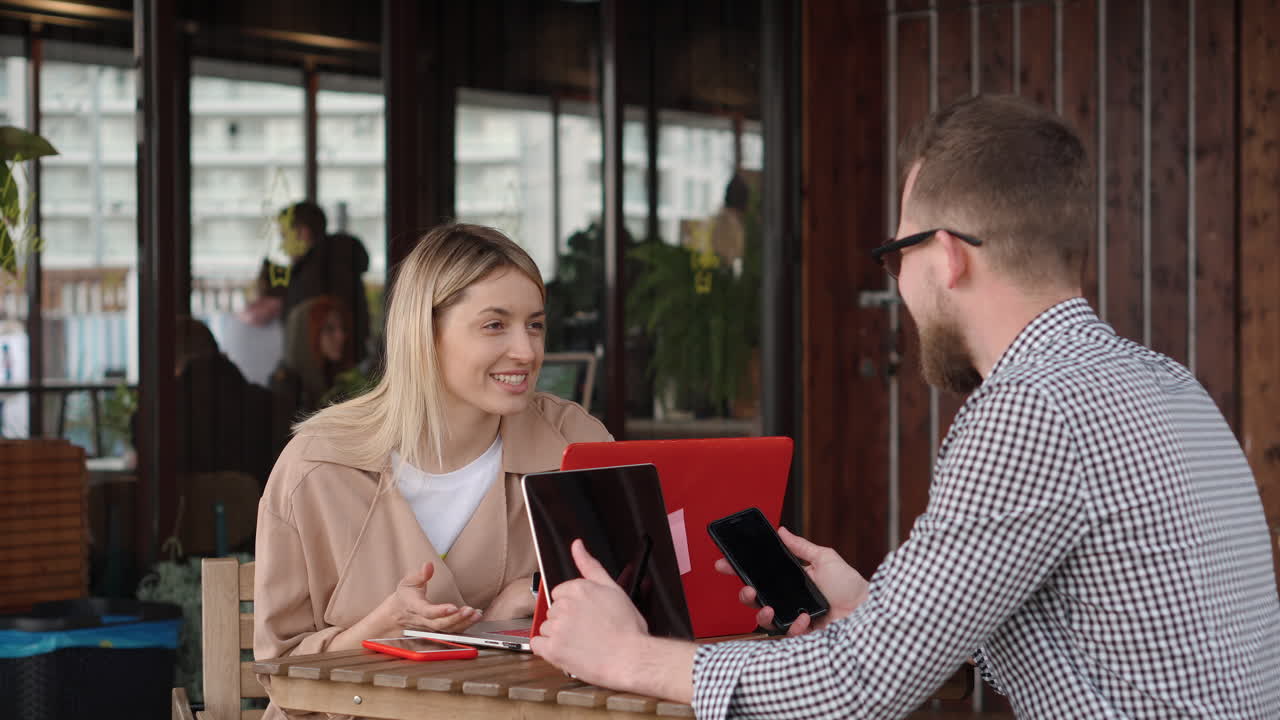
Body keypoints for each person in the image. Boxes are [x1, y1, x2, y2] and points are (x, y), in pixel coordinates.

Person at [531, 95, 1280, 718]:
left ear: (947, 254)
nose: (898, 286)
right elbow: (1096, 634)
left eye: (897, 256)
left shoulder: (1032, 409)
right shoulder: (1164, 383)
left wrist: (627, 656)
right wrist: (875, 606)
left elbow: (858, 690)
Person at [253, 223, 612, 719]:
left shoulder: (575, 443)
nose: (527, 352)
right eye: (495, 325)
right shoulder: (317, 467)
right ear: (424, 331)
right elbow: (282, 680)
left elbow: (641, 597)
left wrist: (531, 594)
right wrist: (389, 625)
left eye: (534, 324)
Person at [277, 201, 371, 363]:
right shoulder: (340, 261)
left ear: (302, 233)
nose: (282, 245)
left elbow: (306, 336)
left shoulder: (314, 274)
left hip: (326, 373)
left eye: (285, 236)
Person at [269, 295, 354, 419]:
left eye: (342, 328)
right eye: (329, 329)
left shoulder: (337, 377)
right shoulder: (287, 386)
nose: (341, 336)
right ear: (305, 335)